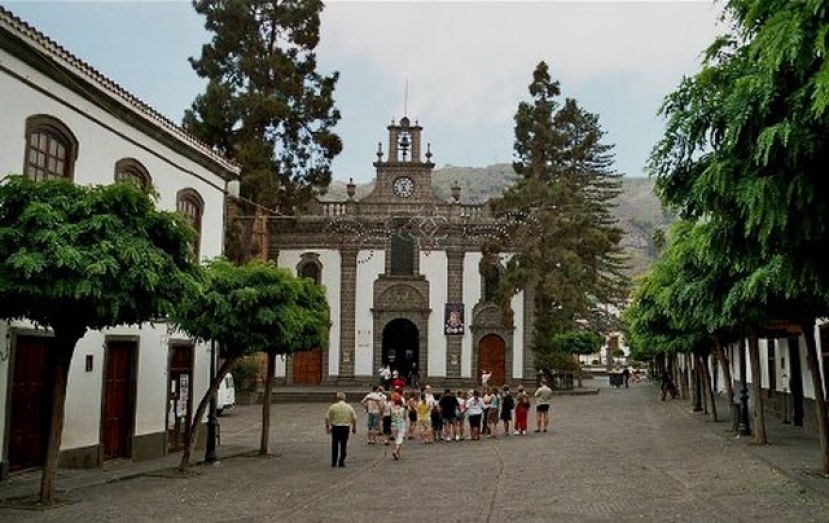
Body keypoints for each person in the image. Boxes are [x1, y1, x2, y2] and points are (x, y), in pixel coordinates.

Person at [325, 392, 357, 468]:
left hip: (335, 427)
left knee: (334, 445)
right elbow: (354, 418)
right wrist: (354, 427)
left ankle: (334, 462)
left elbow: (327, 417)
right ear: (344, 398)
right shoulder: (349, 407)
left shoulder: (333, 406)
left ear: (337, 398)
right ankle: (341, 461)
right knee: (343, 445)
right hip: (345, 427)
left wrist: (327, 427)